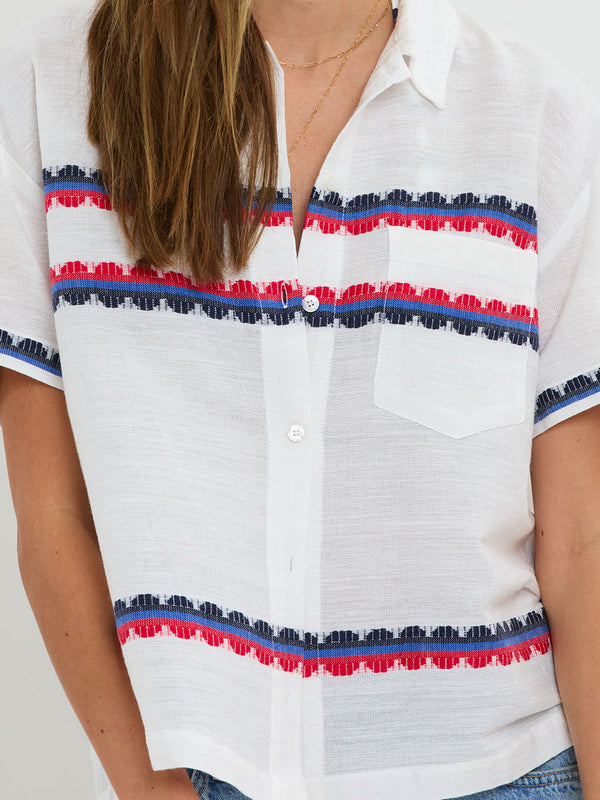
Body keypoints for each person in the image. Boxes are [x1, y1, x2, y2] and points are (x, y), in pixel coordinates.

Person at [0, 0, 599, 799]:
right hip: (202, 777)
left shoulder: (536, 117)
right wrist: (152, 789)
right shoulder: (49, 90)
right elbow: (51, 517)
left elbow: (582, 542)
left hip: (506, 772)